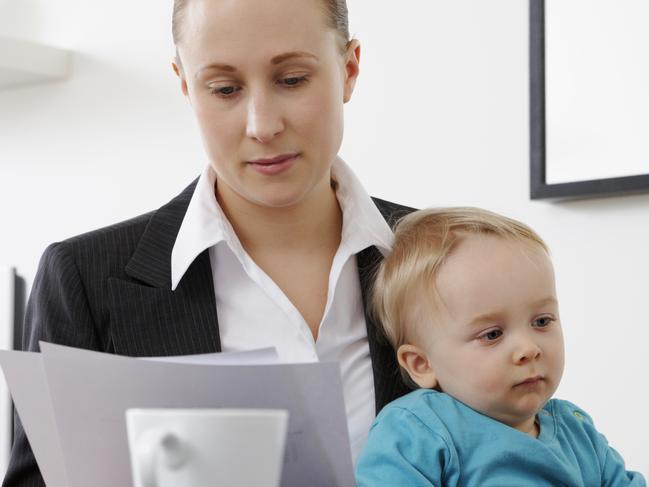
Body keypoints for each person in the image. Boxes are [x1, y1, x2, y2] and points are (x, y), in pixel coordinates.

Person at [3, 0, 414, 485]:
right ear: (184, 85)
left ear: (349, 69)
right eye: (224, 89)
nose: (262, 126)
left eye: (292, 80)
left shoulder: (451, 258)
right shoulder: (83, 278)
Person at [355, 208, 646, 486]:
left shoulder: (577, 431)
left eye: (542, 321)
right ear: (422, 364)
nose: (529, 349)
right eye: (492, 334)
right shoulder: (417, 430)